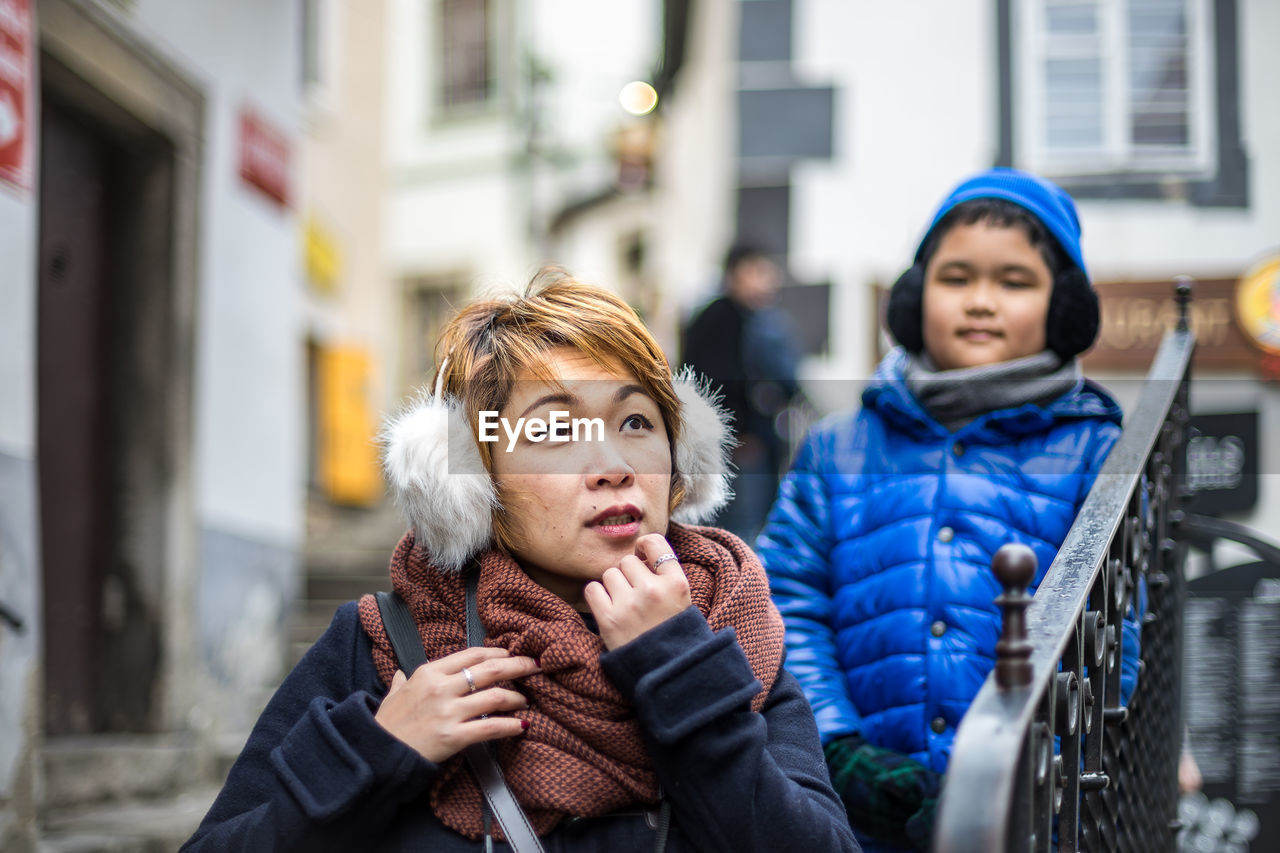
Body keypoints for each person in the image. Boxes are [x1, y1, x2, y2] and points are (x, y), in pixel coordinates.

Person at [183, 272, 860, 852]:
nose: (614, 467)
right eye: (555, 430)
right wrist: (379, 753)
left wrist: (679, 668)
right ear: (475, 480)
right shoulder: (385, 646)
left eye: (636, 423)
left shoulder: (727, 627)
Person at [754, 168, 1144, 852]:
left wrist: (1024, 775)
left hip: (1034, 821)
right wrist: (838, 746)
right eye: (956, 277)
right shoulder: (837, 448)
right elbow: (785, 600)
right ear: (916, 295)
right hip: (858, 819)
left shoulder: (1098, 451)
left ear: (1062, 306)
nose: (981, 302)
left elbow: (1114, 641)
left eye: (1014, 281)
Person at [683, 244, 802, 542]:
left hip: (752, 440)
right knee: (738, 529)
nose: (767, 282)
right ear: (736, 274)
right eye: (758, 272)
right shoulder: (720, 319)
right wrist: (738, 432)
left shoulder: (758, 320)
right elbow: (709, 381)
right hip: (738, 444)